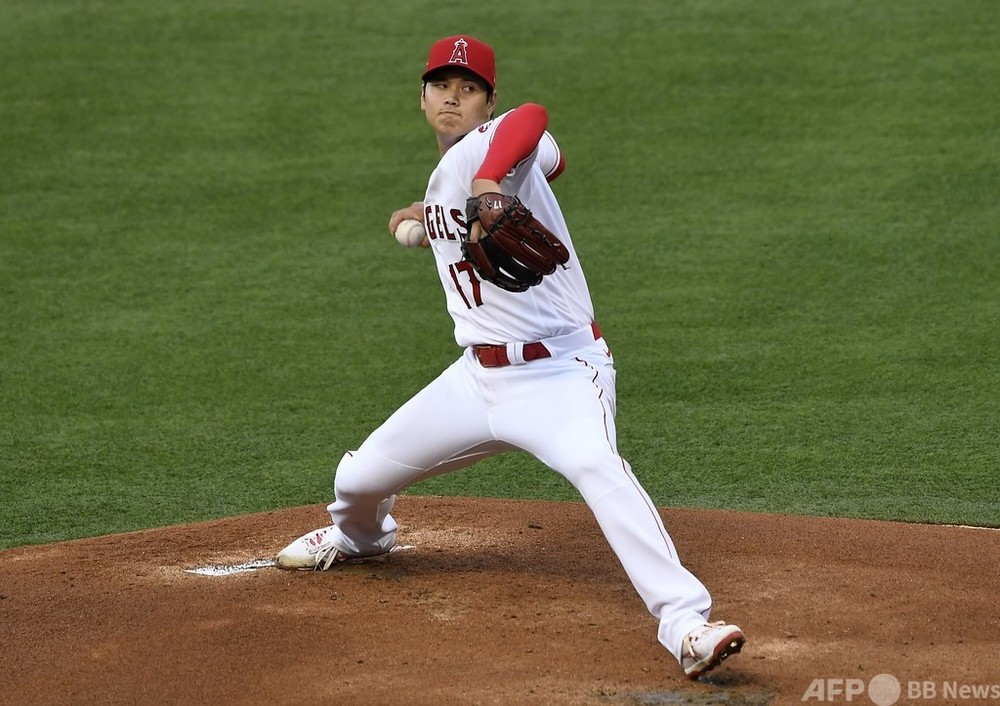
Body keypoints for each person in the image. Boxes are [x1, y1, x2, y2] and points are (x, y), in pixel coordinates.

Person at [275, 35, 745, 679]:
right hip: (476, 382)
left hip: (560, 374)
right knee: (356, 480)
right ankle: (362, 537)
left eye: (468, 89)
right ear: (421, 97)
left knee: (596, 466)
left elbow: (534, 122)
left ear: (486, 102)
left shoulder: (496, 146)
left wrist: (493, 177)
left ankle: (687, 624)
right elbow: (543, 170)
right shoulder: (449, 179)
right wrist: (421, 217)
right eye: (441, 86)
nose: (452, 98)